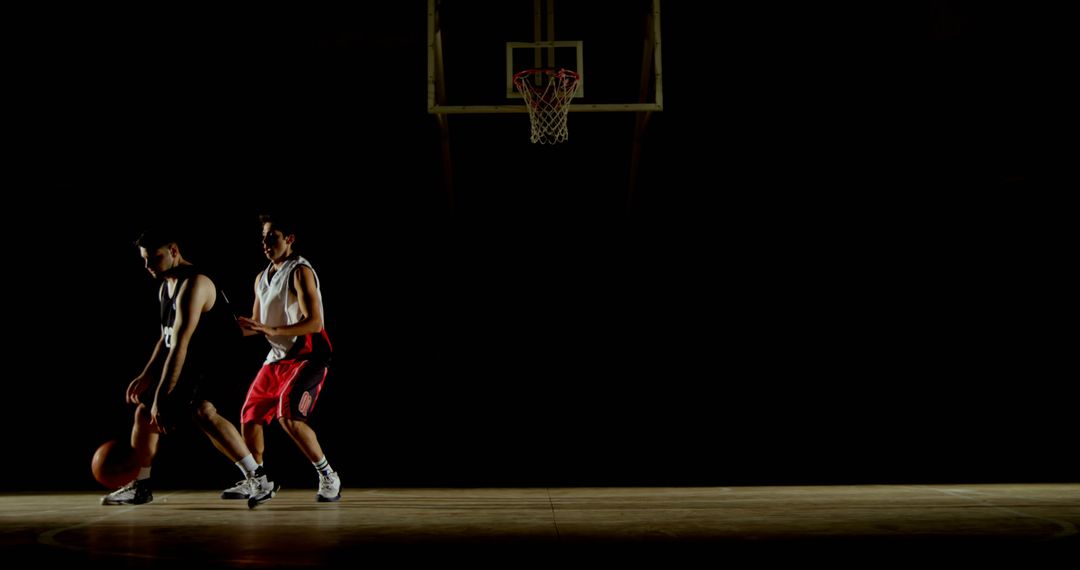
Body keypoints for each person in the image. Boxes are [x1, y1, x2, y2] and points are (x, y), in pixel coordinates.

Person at [103, 228, 279, 508]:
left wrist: (162, 396)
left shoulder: (195, 283)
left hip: (226, 360)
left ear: (174, 250)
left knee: (203, 411)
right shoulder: (165, 285)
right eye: (145, 260)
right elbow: (166, 337)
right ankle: (142, 485)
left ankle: (259, 478)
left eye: (154, 258)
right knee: (144, 413)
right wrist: (148, 374)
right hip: (197, 362)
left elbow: (181, 343)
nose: (148, 266)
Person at [227, 214, 341, 503]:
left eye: (272, 237)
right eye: (263, 238)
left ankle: (328, 475)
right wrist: (220, 326)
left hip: (309, 355)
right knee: (249, 416)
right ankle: (258, 480)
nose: (266, 243)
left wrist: (269, 329)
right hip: (277, 357)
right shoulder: (260, 278)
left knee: (288, 417)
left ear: (289, 239)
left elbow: (315, 323)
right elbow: (256, 324)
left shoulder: (300, 271)